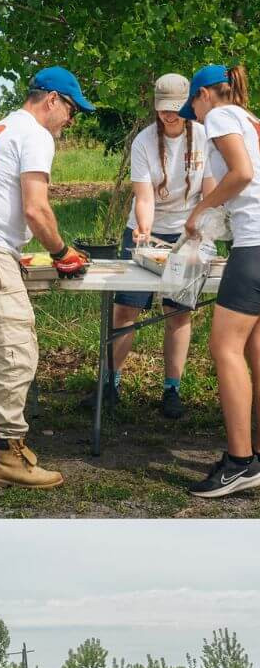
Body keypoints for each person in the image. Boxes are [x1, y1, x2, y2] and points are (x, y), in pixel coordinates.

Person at [0, 66, 94, 489]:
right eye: (71, 110)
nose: (71, 120)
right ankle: (8, 454)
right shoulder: (36, 135)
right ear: (52, 100)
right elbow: (36, 209)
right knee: (17, 345)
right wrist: (62, 253)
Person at [176, 65, 260, 496]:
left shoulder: (223, 116)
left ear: (205, 95)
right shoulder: (250, 118)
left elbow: (242, 174)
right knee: (255, 349)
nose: (195, 115)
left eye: (193, 105)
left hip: (255, 246)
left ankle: (240, 462)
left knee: (223, 346)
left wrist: (200, 212)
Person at [109, 75, 213, 417]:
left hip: (188, 232)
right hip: (146, 230)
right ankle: (111, 382)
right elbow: (144, 198)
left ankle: (172, 389)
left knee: (178, 313)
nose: (169, 117)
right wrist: (143, 230)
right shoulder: (142, 142)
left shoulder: (204, 138)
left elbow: (209, 193)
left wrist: (200, 228)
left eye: (175, 110)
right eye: (163, 111)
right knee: (126, 310)